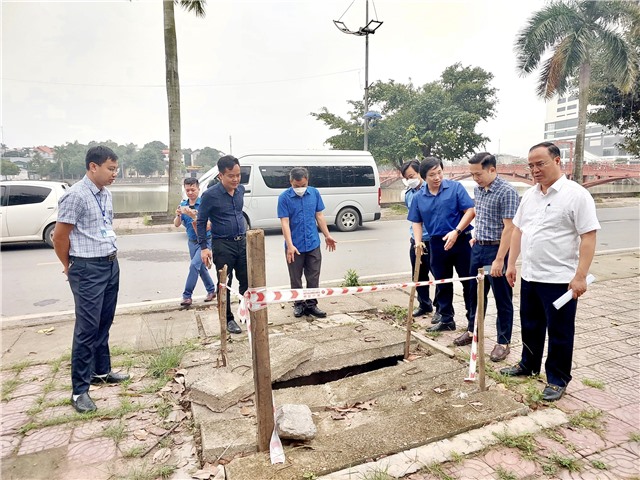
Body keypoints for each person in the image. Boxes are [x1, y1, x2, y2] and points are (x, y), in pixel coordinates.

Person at [501, 142, 600, 402]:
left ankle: (557, 378)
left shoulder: (576, 195)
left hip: (559, 280)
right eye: (531, 165)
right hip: (530, 275)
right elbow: (518, 230)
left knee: (559, 332)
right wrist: (512, 264)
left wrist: (580, 276)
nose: (534, 170)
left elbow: (588, 236)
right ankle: (528, 365)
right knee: (530, 325)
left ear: (557, 161)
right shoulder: (531, 195)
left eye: (540, 163)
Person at [52, 146, 129, 413]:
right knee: (86, 328)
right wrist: (68, 265)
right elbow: (59, 237)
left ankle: (101, 371)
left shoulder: (105, 195)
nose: (114, 174)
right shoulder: (75, 196)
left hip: (109, 263)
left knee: (104, 321)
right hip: (87, 269)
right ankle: (79, 391)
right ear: (93, 167)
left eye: (116, 169)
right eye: (110, 169)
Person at [453, 152, 519, 363]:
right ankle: (473, 330)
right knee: (475, 294)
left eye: (478, 174)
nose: (475, 178)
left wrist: (501, 260)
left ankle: (503, 342)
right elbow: (480, 215)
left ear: (492, 169)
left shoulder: (507, 192)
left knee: (502, 298)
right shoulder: (478, 189)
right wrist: (476, 237)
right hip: (478, 249)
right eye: (472, 174)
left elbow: (510, 228)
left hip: (497, 251)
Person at [407, 157, 476, 332]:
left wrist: (457, 231)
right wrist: (418, 241)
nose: (437, 177)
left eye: (439, 172)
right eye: (432, 175)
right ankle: (446, 319)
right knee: (442, 282)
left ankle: (472, 320)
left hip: (460, 240)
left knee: (468, 281)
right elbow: (416, 221)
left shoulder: (455, 188)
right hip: (437, 243)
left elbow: (470, 210)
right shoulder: (419, 197)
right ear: (424, 177)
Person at [277, 167, 337, 317]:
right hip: (294, 246)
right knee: (295, 277)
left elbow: (319, 216)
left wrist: (327, 235)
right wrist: (290, 245)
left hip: (312, 243)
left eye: (303, 185)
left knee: (313, 276)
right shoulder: (284, 198)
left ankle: (311, 304)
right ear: (291, 182)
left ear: (307, 181)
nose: (300, 189)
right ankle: (298, 304)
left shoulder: (314, 193)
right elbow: (284, 222)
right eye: (296, 186)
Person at [197, 155, 246, 335]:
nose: (235, 179)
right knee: (224, 283)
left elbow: (239, 214)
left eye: (238, 175)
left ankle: (245, 312)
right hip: (222, 244)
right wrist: (204, 248)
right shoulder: (210, 195)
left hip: (241, 242)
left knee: (246, 280)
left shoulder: (240, 190)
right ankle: (227, 319)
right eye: (231, 176)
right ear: (220, 175)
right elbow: (201, 222)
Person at [401, 159, 440, 320]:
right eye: (407, 177)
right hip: (416, 240)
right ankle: (424, 304)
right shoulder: (409, 195)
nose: (410, 179)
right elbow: (414, 219)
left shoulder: (431, 190)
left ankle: (441, 309)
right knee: (418, 274)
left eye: (412, 175)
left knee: (439, 275)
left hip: (433, 239)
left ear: (420, 174)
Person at [174, 177, 216, 307]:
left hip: (205, 241)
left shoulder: (204, 204)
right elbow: (176, 224)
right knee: (200, 268)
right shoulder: (183, 204)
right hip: (191, 242)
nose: (190, 192)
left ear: (198, 189)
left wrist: (194, 216)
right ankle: (211, 290)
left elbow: (210, 225)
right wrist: (179, 215)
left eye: (193, 189)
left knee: (194, 266)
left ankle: (187, 296)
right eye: (187, 190)